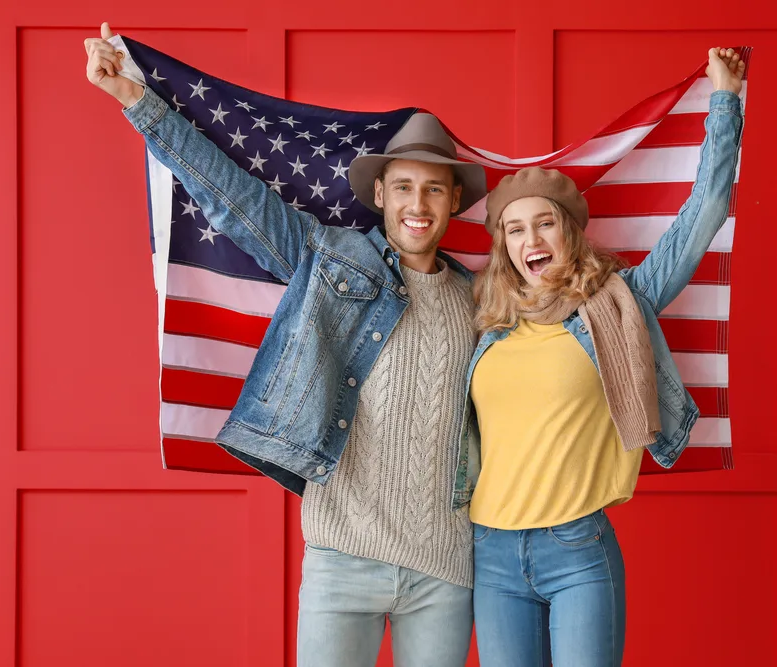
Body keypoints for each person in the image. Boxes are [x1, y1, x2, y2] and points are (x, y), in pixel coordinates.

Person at [84, 22, 488, 667]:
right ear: (380, 194)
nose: (419, 203)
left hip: (446, 565)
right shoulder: (331, 258)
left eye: (435, 188)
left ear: (454, 200)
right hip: (342, 555)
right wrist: (137, 102)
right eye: (405, 187)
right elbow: (233, 197)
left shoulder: (482, 302)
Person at [462, 47, 746, 667]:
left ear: (570, 231)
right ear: (503, 246)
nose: (531, 240)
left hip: (578, 548)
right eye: (515, 230)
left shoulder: (620, 306)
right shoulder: (483, 327)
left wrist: (725, 100)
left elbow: (707, 211)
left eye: (545, 224)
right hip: (489, 550)